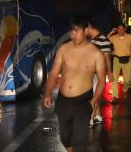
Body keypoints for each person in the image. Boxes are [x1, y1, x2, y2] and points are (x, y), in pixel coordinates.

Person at [43, 16, 105, 152]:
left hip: (84, 101)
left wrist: (94, 101)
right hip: (63, 101)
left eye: (77, 31)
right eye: (71, 31)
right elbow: (53, 73)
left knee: (79, 140)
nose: (73, 34)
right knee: (64, 137)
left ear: (86, 30)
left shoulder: (96, 54)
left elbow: (101, 80)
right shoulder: (63, 49)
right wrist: (47, 93)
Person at [86, 18, 114, 128]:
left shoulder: (103, 40)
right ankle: (98, 116)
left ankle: (90, 118)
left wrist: (110, 72)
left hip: (98, 73)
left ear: (89, 27)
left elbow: (107, 58)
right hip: (91, 72)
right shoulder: (92, 40)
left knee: (93, 95)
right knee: (93, 94)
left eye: (85, 28)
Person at [108, 23, 131, 104]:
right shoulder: (114, 37)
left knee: (127, 79)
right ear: (117, 29)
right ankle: (115, 96)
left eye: (122, 29)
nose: (120, 30)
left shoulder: (129, 36)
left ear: (125, 29)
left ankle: (125, 88)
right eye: (118, 29)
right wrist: (111, 32)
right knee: (114, 78)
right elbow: (105, 39)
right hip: (117, 60)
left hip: (127, 60)